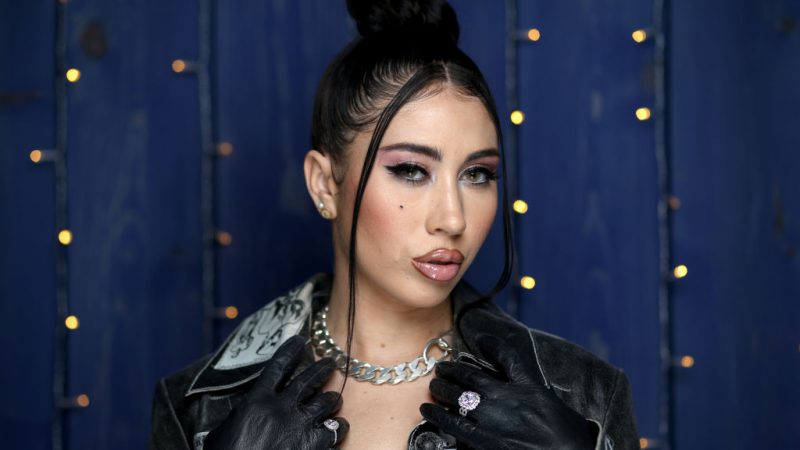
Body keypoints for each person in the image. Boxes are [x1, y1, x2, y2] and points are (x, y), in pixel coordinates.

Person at [147, 1, 639, 449]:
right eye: (411, 170)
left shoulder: (583, 392)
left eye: (477, 174)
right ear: (324, 184)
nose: (453, 219)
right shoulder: (200, 404)